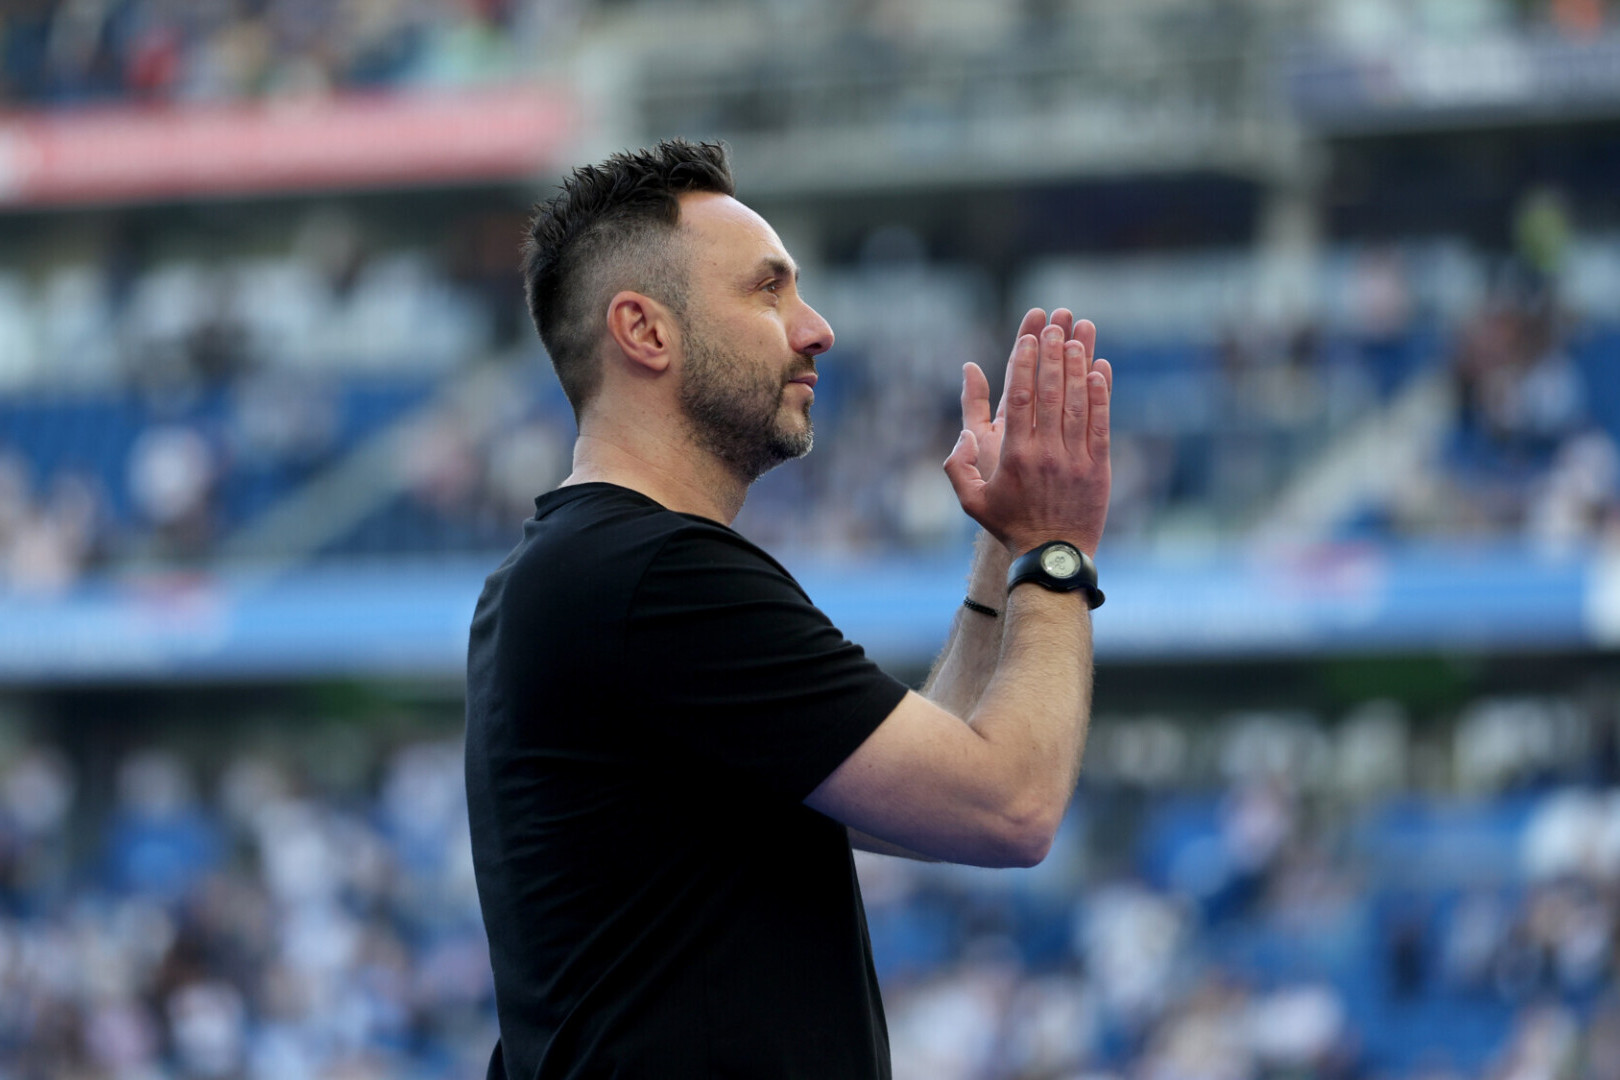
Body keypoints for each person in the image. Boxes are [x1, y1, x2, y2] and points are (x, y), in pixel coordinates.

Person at [464, 138, 1113, 1079]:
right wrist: (1058, 551)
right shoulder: (652, 576)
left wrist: (1003, 551)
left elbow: (925, 795)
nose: (816, 329)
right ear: (645, 331)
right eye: (767, 290)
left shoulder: (585, 575)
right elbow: (1009, 806)